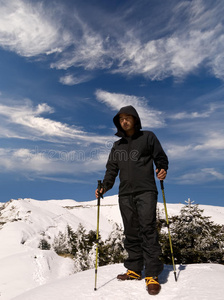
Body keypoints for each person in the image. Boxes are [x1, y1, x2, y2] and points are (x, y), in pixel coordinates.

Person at [95, 105, 168, 296]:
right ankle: (135, 269)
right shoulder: (117, 146)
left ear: (135, 119)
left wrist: (161, 168)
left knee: (147, 229)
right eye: (121, 119)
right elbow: (111, 170)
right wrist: (104, 187)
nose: (124, 121)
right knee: (131, 231)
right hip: (125, 194)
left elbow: (160, 157)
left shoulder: (148, 137)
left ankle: (152, 274)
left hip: (146, 191)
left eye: (128, 117)